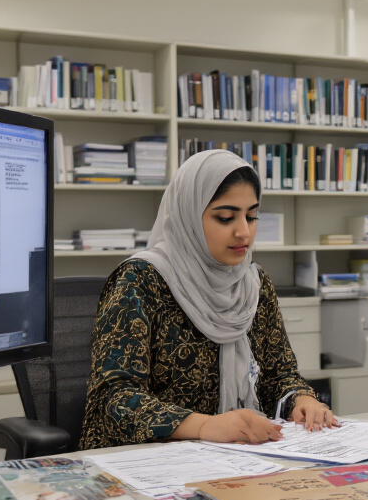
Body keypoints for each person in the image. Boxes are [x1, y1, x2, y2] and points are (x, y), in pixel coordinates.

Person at [78, 149, 338, 450]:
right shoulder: (139, 281)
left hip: (236, 458)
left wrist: (300, 399)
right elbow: (115, 400)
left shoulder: (254, 283)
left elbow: (279, 374)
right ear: (189, 214)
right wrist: (205, 425)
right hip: (151, 462)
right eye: (226, 217)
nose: (244, 232)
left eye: (252, 216)